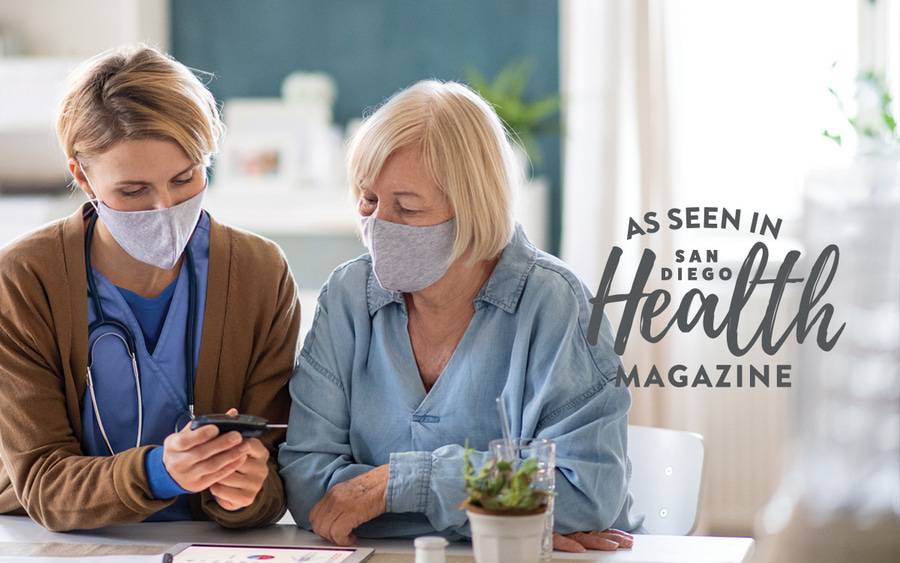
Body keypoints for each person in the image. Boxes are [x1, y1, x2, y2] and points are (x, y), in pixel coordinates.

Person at [279, 80, 642, 553]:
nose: (378, 224)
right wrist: (500, 518)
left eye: (407, 208)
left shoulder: (556, 303)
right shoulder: (347, 296)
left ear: (473, 208)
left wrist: (398, 485)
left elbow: (586, 491)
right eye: (368, 200)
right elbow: (311, 489)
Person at [0, 45, 300, 531]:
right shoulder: (25, 280)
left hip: (207, 547)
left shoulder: (258, 272)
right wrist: (162, 473)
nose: (165, 208)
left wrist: (246, 492)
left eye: (185, 179)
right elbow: (42, 481)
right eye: (133, 191)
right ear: (82, 175)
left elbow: (279, 473)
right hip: (54, 544)